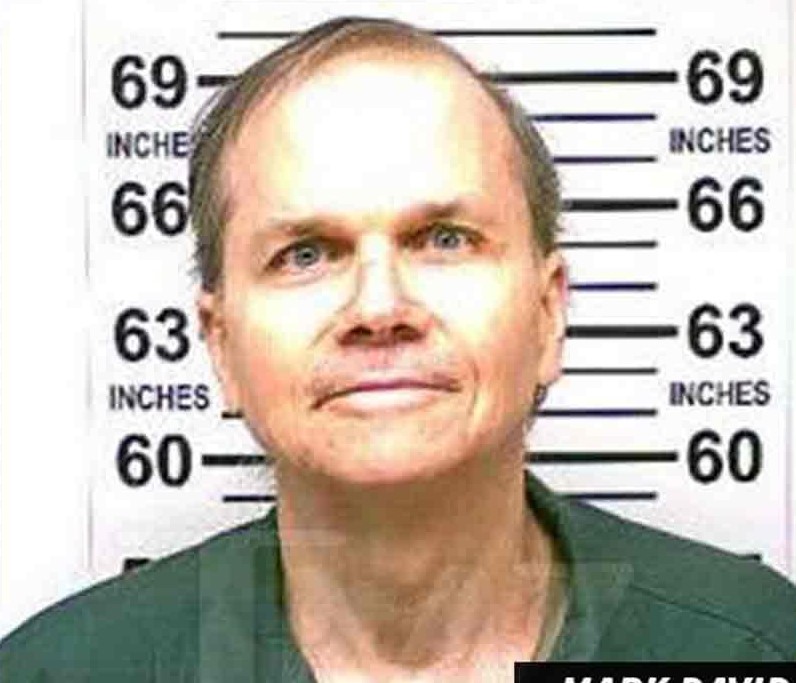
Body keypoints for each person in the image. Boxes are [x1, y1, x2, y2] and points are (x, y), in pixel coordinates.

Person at [2, 16, 795, 682]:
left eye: (444, 239)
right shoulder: (66, 671)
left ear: (548, 313)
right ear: (221, 345)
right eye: (306, 254)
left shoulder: (750, 648)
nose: (379, 308)